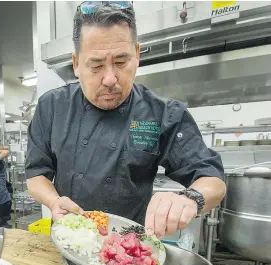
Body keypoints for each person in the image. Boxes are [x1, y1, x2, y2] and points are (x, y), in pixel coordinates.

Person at [26, 1, 226, 239]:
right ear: (77, 63)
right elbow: (36, 175)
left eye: (121, 62)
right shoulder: (52, 107)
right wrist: (54, 201)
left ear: (137, 55)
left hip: (129, 248)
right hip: (69, 238)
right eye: (97, 65)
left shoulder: (161, 113)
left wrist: (190, 198)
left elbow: (213, 179)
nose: (110, 78)